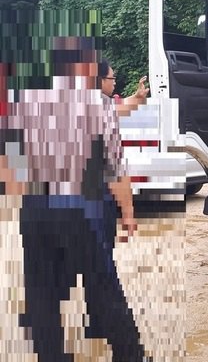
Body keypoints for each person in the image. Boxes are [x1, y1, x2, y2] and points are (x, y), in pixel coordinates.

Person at [6, 34, 150, 360]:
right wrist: (127, 212)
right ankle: (130, 355)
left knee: (41, 289)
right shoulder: (98, 104)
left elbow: (13, 162)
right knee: (103, 286)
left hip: (36, 206)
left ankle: (51, 356)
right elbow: (114, 167)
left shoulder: (24, 101)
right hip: (80, 206)